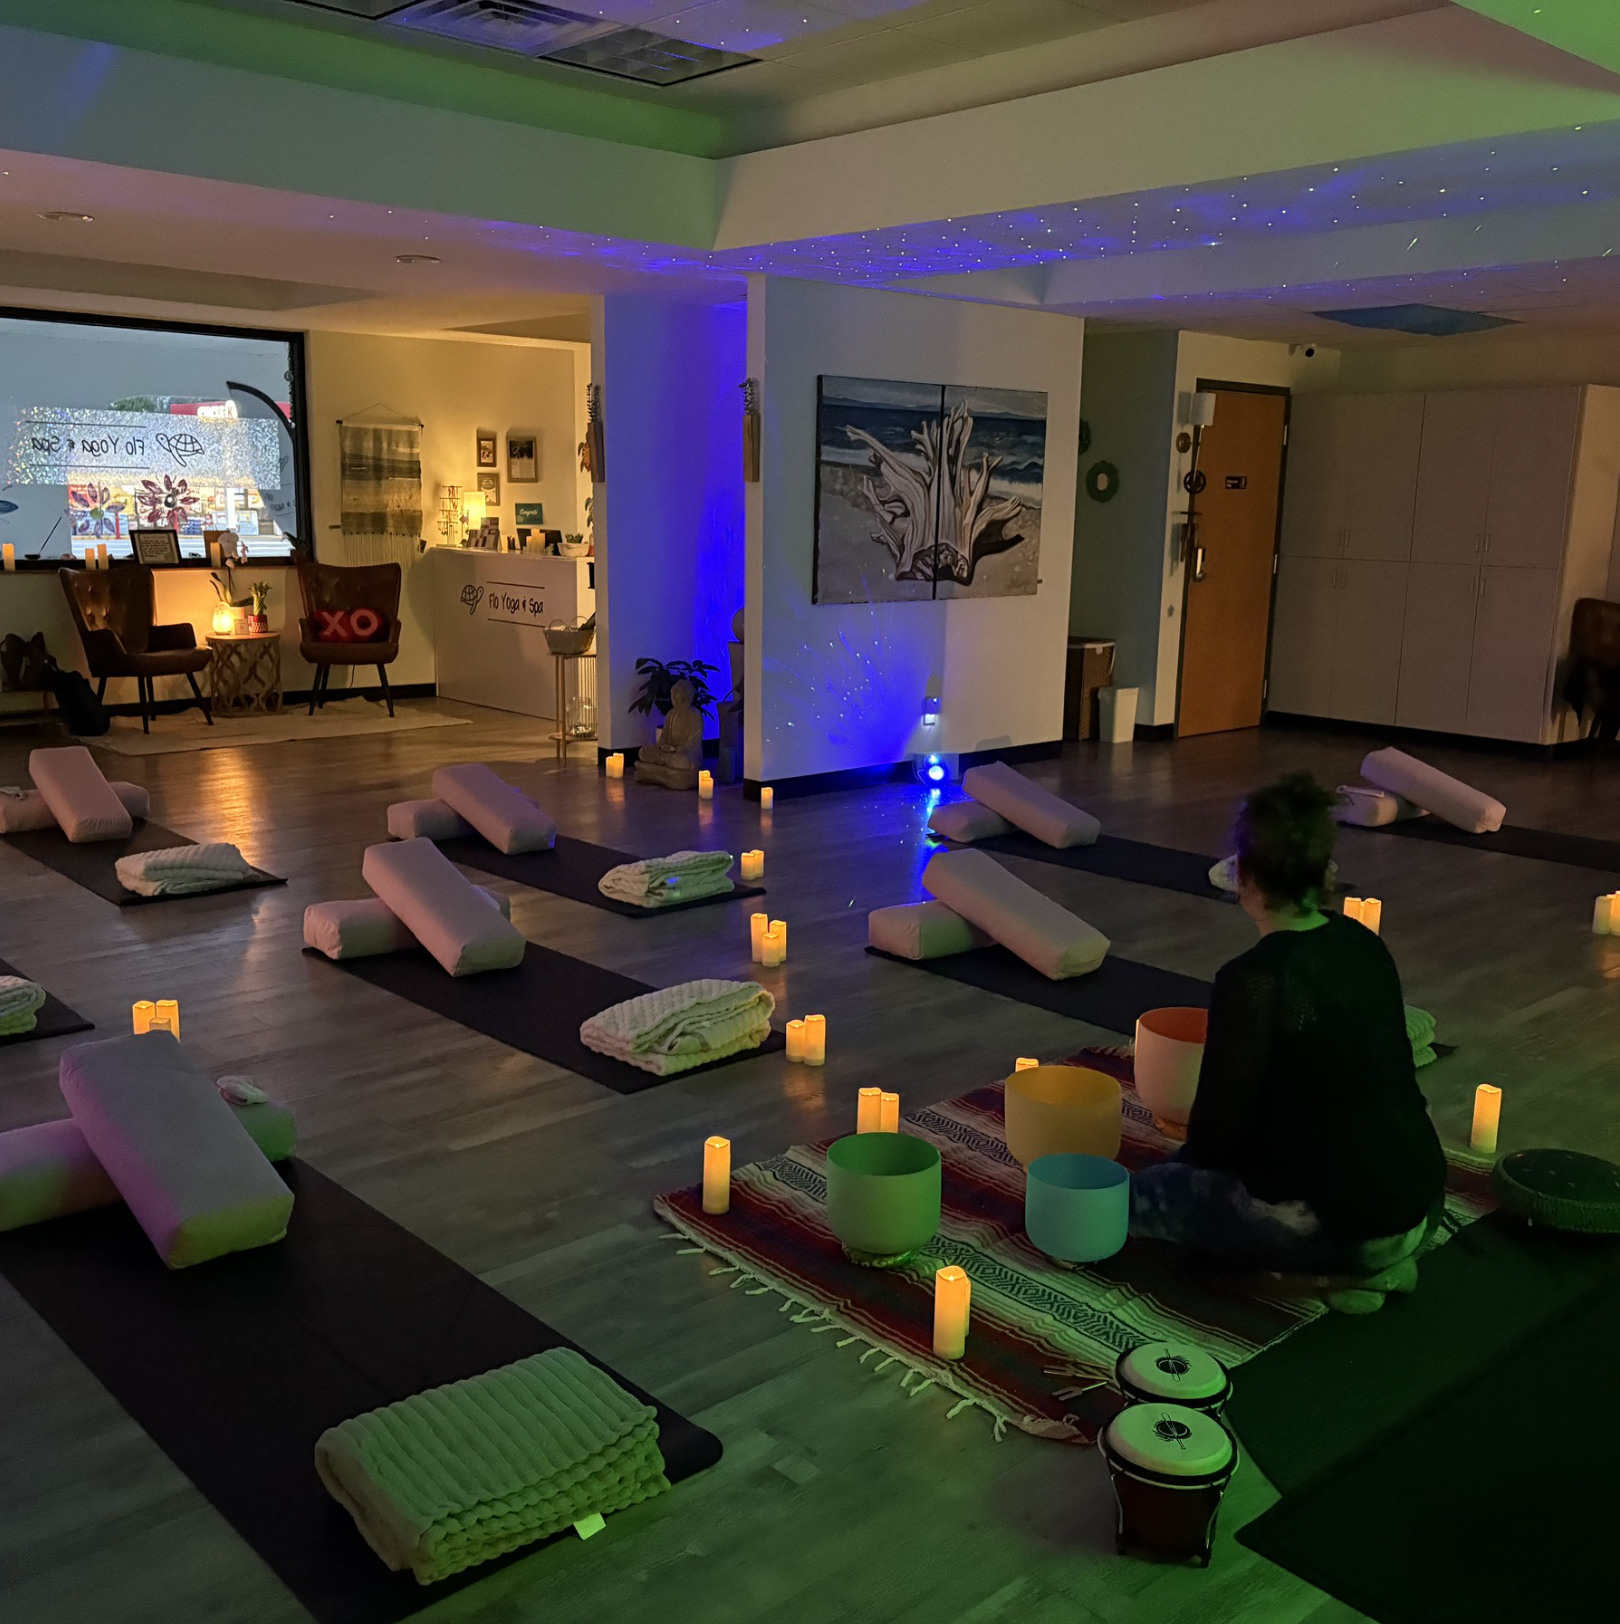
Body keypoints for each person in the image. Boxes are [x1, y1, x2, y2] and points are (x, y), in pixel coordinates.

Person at [1130, 772, 1446, 1312]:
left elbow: (1216, 1134)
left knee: (1134, 1201)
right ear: (1323, 872)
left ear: (1244, 874)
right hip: (1419, 1206)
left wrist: (1183, 1167)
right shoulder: (1364, 943)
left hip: (1325, 1226)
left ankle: (1323, 1273)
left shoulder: (1254, 980)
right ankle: (1373, 1266)